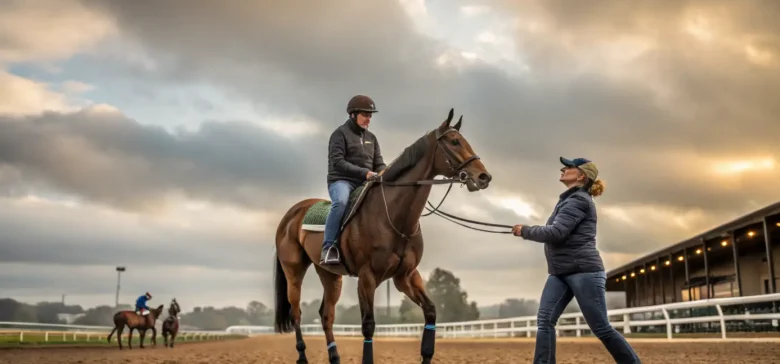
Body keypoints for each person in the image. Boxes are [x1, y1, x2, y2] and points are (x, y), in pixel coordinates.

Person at [512, 157, 640, 364]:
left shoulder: (578, 200)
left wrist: (525, 230)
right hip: (560, 272)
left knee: (601, 327)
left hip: (584, 271)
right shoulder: (568, 199)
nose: (563, 169)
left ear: (581, 175)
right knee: (545, 321)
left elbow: (557, 232)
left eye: (569, 167)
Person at [320, 95, 387, 265]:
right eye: (365, 115)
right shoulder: (339, 134)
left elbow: (378, 163)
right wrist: (365, 173)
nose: (369, 119)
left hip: (366, 181)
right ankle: (328, 247)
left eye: (370, 115)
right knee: (341, 202)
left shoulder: (372, 138)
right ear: (353, 114)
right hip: (342, 181)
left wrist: (385, 173)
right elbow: (338, 162)